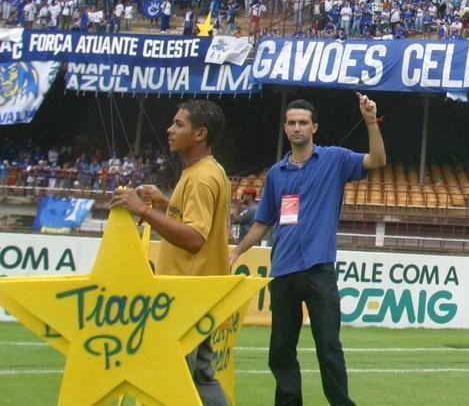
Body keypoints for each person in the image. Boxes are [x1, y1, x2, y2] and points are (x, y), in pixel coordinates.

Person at [229, 93, 386, 406]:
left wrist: (370, 121)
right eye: (291, 123)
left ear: (315, 127)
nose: (297, 127)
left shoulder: (335, 159)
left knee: (328, 348)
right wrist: (235, 252)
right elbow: (262, 222)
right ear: (285, 128)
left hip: (318, 270)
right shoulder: (276, 173)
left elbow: (377, 160)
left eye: (303, 122)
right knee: (280, 351)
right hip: (283, 271)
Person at [110, 99, 231, 406]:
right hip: (196, 295)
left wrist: (143, 211)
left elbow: (195, 239)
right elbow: (192, 221)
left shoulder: (201, 178)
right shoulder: (205, 171)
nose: (170, 129)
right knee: (200, 378)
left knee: (175, 384)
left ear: (200, 133)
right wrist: (164, 203)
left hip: (187, 297)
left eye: (179, 124)